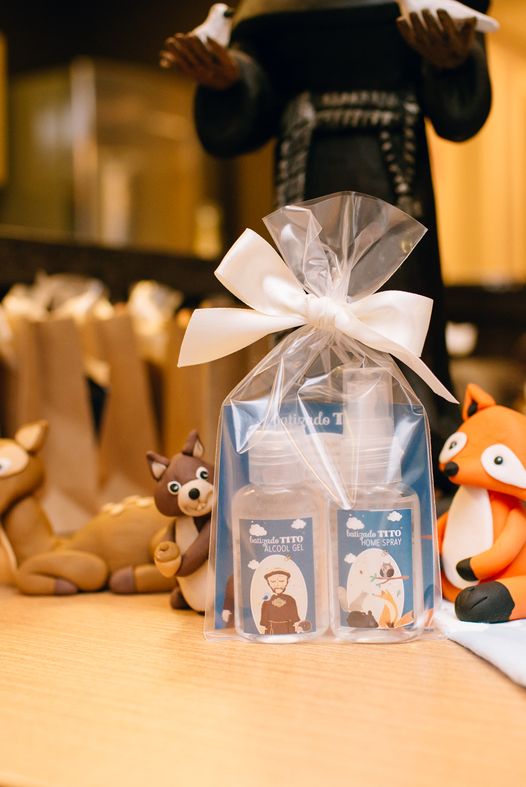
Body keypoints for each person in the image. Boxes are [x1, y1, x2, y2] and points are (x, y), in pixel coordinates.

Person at [160, 0, 494, 459]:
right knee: (308, 320)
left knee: (391, 318)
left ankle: (408, 456)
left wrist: (454, 63)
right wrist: (234, 79)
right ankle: (308, 455)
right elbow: (259, 78)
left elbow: (460, 112)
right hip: (304, 172)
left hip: (391, 170)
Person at [259, 568, 303, 634]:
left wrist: (297, 624)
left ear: (287, 581)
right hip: (272, 629)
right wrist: (263, 626)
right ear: (268, 582)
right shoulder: (267, 601)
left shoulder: (290, 600)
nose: (277, 585)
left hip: (288, 628)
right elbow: (264, 618)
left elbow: (295, 617)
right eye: (273, 581)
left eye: (281, 581)